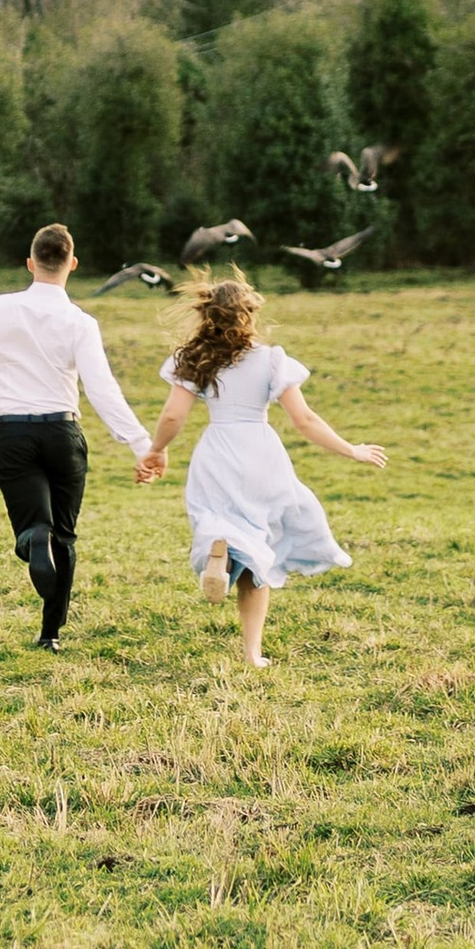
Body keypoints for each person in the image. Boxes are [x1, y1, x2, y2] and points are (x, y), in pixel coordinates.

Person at [138, 279, 384, 667]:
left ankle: (219, 553)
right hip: (260, 453)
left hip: (216, 451)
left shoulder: (195, 358)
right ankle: (252, 653)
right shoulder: (271, 359)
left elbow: (173, 415)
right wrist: (351, 449)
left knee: (218, 521)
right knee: (259, 548)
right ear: (250, 314)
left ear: (206, 315)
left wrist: (156, 450)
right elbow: (303, 419)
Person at [0, 224, 159, 648]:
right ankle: (50, 634)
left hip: (13, 434)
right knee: (66, 537)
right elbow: (102, 390)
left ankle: (33, 538)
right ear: (72, 265)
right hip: (63, 431)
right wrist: (140, 445)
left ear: (30, 262)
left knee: (32, 530)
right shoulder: (81, 322)